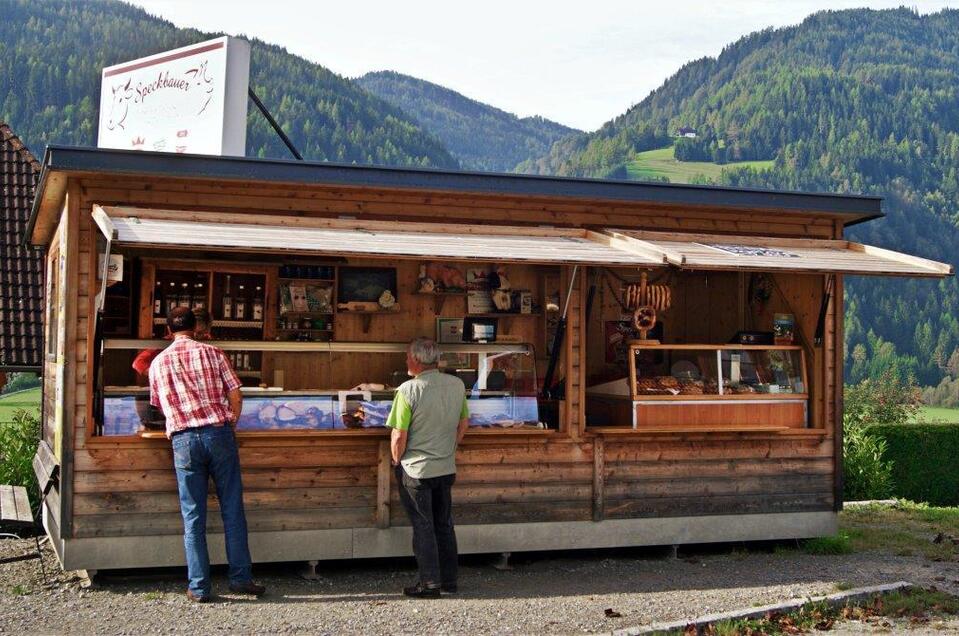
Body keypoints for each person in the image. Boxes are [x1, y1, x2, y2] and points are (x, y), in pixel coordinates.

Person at [148, 307, 265, 603]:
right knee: (232, 509)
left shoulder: (158, 363)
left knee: (193, 516)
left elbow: (158, 404)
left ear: (169, 330)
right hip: (218, 433)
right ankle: (240, 579)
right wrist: (231, 423)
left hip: (184, 440)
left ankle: (199, 587)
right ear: (196, 326)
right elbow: (236, 394)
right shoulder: (214, 353)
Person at [386, 337, 470, 598]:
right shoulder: (457, 385)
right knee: (444, 524)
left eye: (408, 356)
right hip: (445, 467)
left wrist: (396, 459)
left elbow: (399, 434)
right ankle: (449, 582)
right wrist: (449, 448)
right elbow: (463, 423)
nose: (406, 360)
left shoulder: (408, 390)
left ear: (417, 360)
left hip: (416, 469)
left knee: (423, 526)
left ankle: (429, 584)